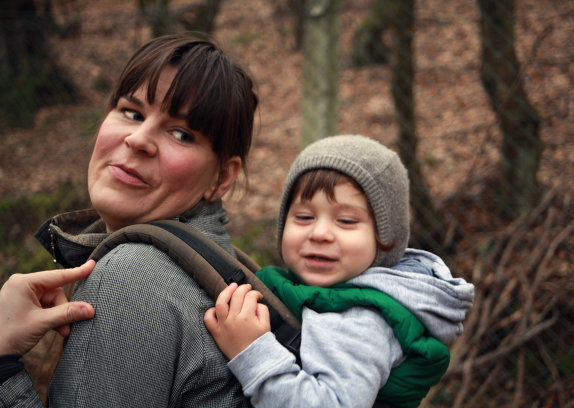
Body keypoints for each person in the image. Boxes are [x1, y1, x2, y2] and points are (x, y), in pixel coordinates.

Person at [0, 32, 257, 407]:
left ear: (221, 178)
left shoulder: (132, 278)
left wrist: (3, 367)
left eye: (181, 134)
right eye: (132, 112)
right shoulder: (218, 262)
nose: (138, 139)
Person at [204, 135, 475, 407]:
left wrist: (251, 351)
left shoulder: (358, 321)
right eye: (304, 217)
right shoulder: (334, 296)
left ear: (386, 240)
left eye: (346, 221)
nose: (320, 233)